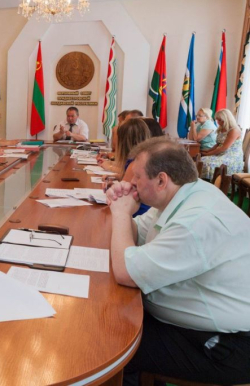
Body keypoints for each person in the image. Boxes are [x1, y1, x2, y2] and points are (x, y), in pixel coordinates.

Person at [105, 138, 250, 386]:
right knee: (116, 319)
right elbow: (136, 234)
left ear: (161, 180)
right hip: (203, 326)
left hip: (227, 345)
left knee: (114, 345)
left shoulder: (195, 222)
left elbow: (125, 273)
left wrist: (120, 212)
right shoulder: (181, 195)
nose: (131, 182)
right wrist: (124, 210)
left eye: (137, 176)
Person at [99, 118, 151, 216]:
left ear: (123, 141)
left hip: (134, 216)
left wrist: (110, 189)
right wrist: (115, 183)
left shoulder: (134, 165)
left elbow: (121, 197)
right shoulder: (142, 159)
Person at [200, 108, 244, 179]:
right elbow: (218, 144)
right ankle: (205, 180)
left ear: (227, 119)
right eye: (217, 120)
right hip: (221, 153)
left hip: (231, 156)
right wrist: (208, 151)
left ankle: (213, 181)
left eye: (220, 120)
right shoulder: (221, 128)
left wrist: (209, 154)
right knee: (202, 159)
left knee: (207, 162)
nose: (218, 122)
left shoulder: (234, 130)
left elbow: (224, 148)